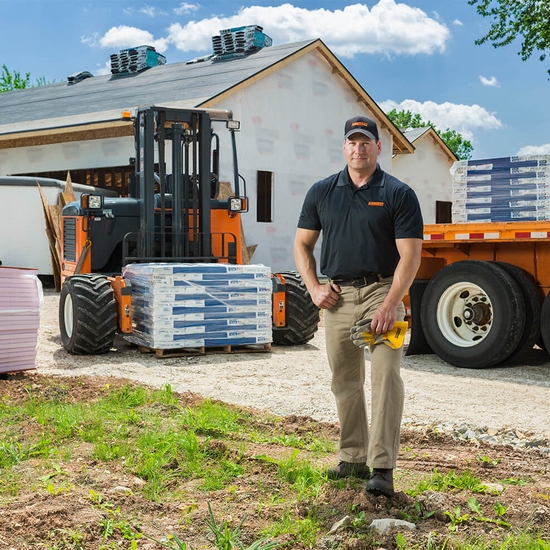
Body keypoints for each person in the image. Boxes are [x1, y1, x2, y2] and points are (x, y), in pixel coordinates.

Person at [293, 115, 423, 497]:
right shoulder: (322, 191)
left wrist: (390, 304)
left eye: (366, 141)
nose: (358, 148)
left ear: (378, 147)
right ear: (344, 147)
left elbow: (410, 258)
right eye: (352, 141)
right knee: (345, 381)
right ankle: (352, 457)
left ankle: (382, 468)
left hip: (383, 294)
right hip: (337, 298)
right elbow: (302, 245)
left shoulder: (399, 193)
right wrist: (314, 287)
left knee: (386, 374)